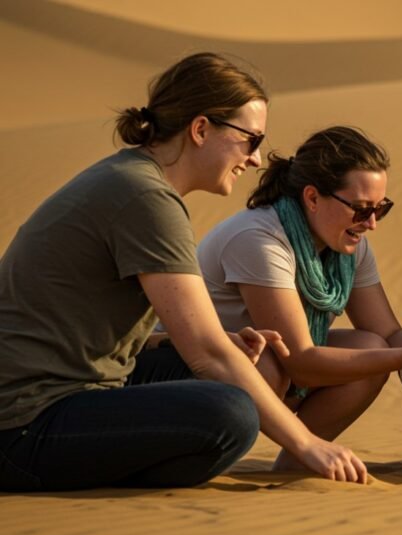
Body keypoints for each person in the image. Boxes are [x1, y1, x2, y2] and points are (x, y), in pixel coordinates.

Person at [0, 52, 366, 491]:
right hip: (24, 422)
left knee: (253, 366)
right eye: (251, 140)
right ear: (200, 129)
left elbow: (85, 328)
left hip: (74, 388)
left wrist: (196, 345)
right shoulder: (144, 197)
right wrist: (308, 443)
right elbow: (207, 353)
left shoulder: (132, 179)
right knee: (230, 414)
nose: (255, 160)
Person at [194, 125, 402, 471]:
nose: (371, 224)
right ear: (312, 198)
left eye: (380, 209)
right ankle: (201, 461)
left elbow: (388, 335)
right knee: (270, 364)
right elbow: (301, 362)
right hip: (201, 378)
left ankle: (294, 466)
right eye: (361, 209)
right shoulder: (260, 240)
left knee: (371, 347)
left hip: (276, 372)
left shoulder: (349, 246)